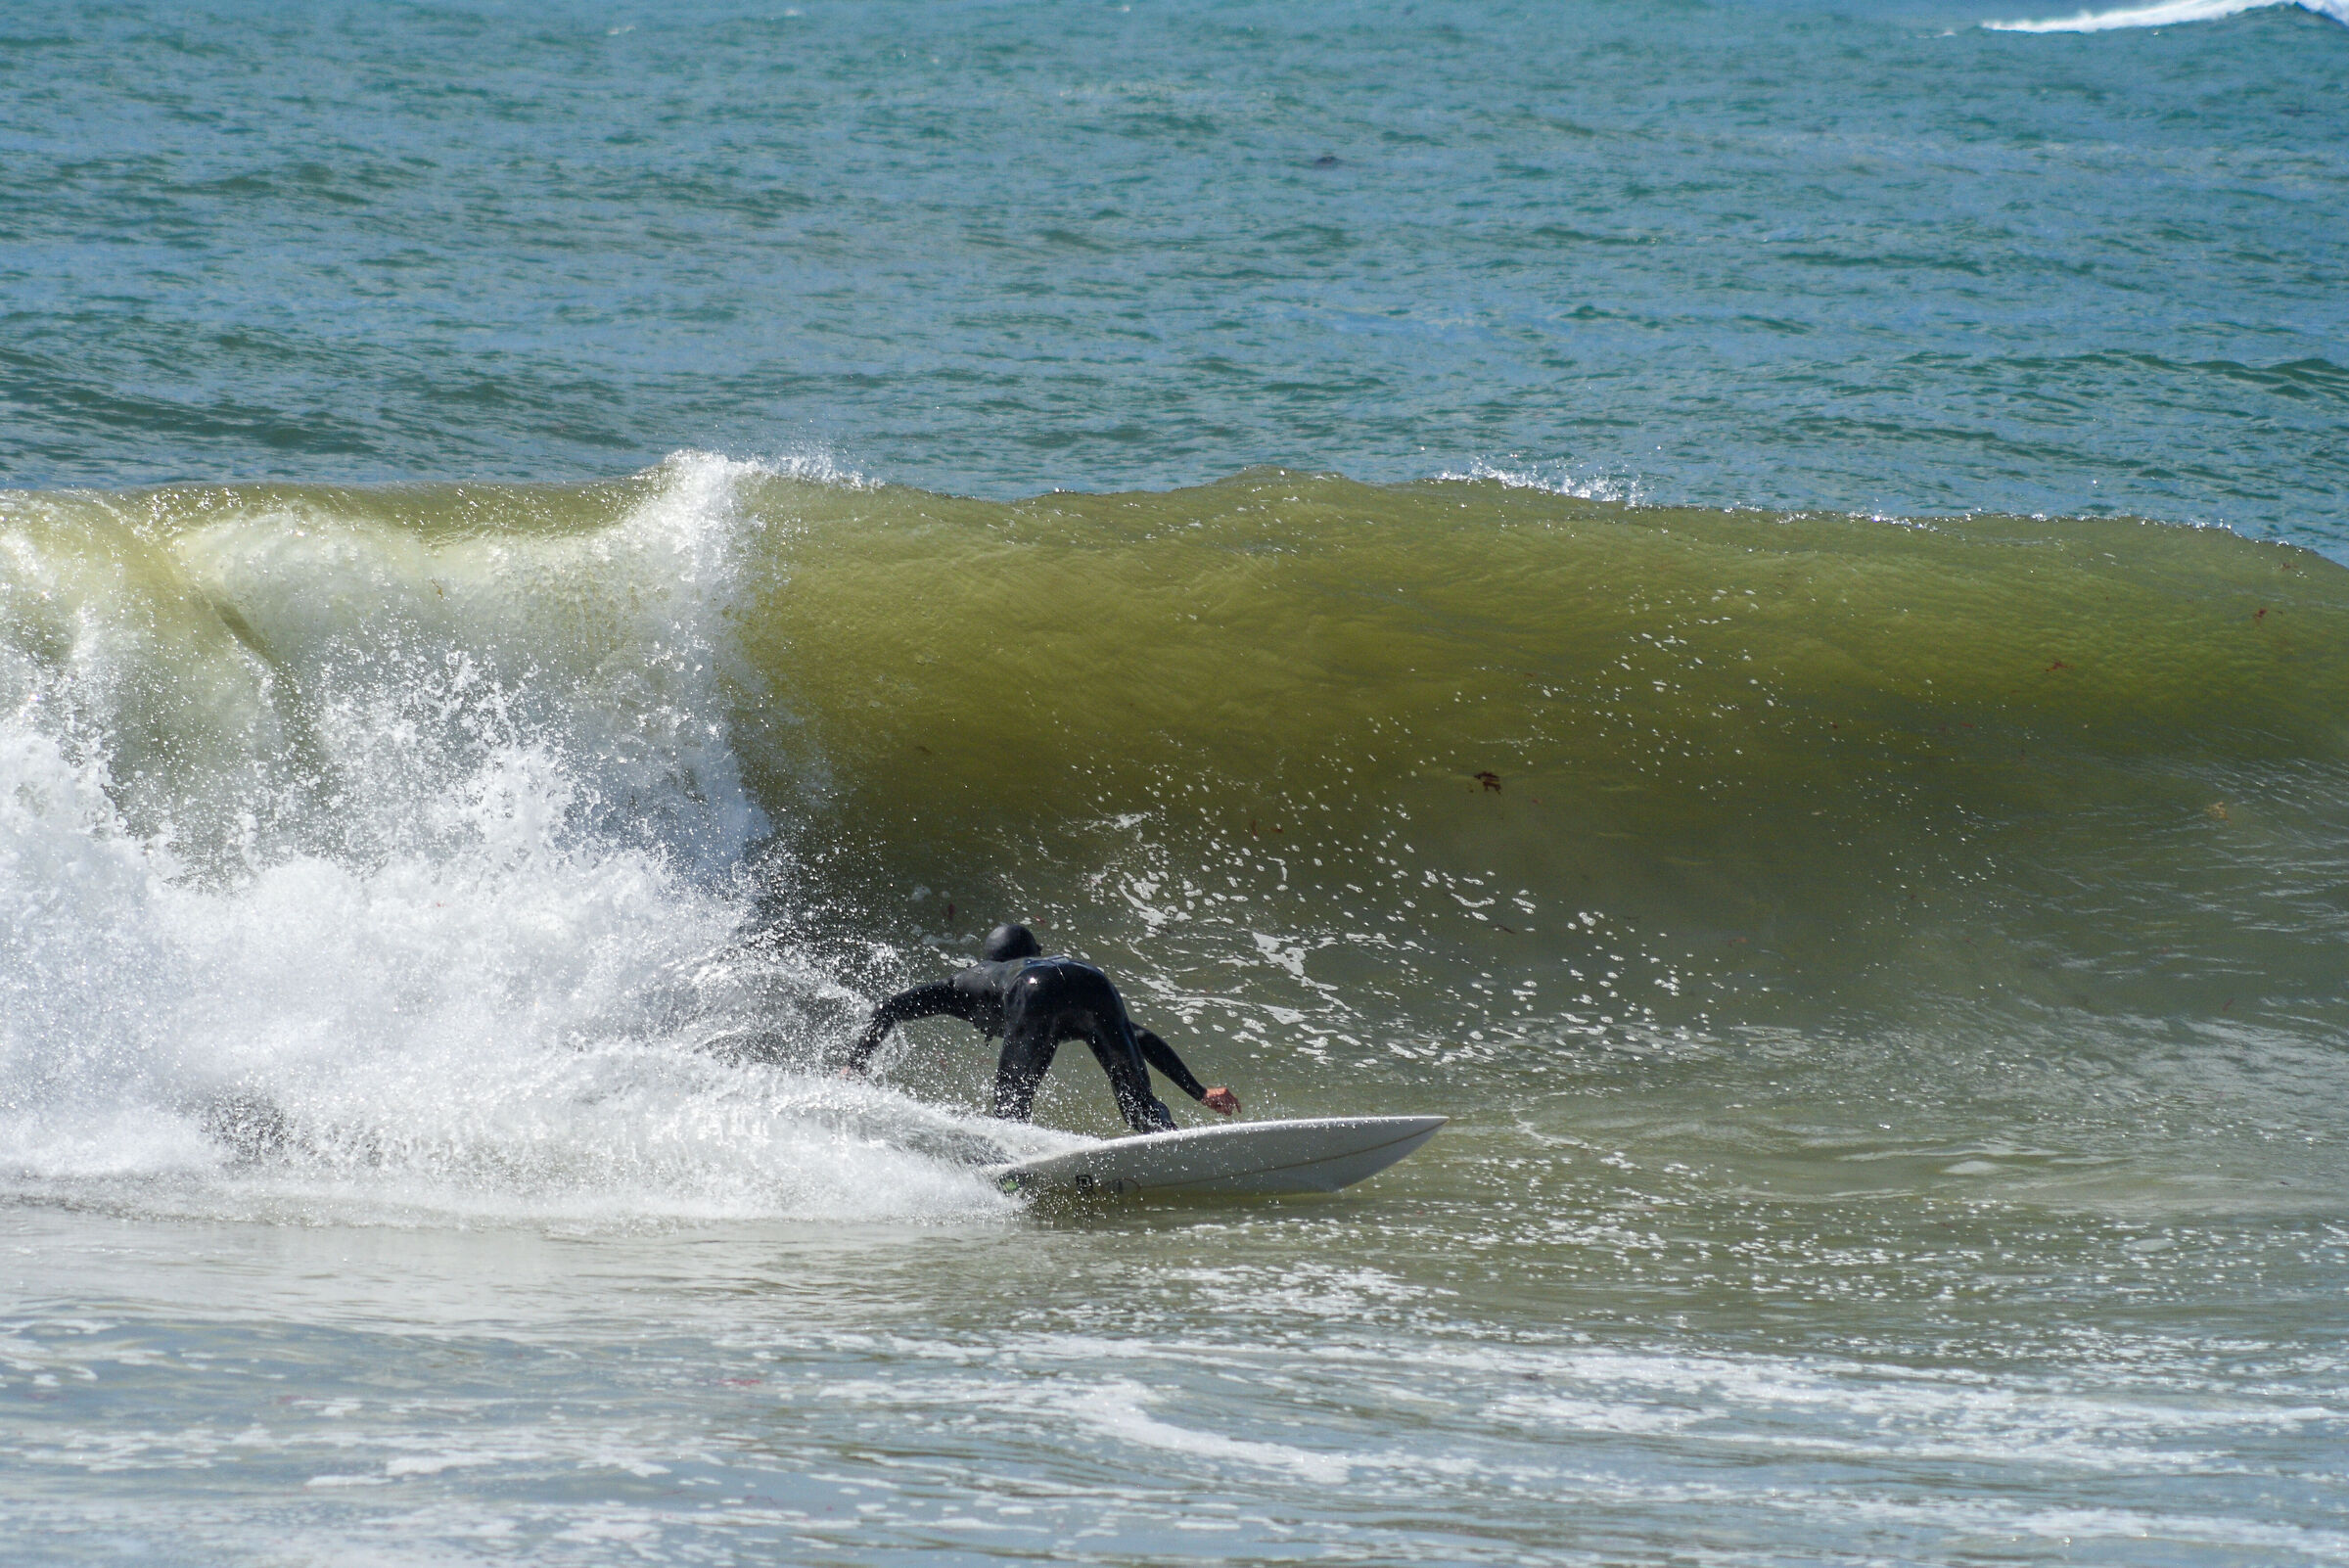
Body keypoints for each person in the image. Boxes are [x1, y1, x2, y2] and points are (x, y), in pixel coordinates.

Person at [842, 923, 1240, 1133]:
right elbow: (1140, 1037)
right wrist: (1199, 1090)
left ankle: (1014, 1179)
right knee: (1139, 1108)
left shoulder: (968, 983)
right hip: (1093, 981)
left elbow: (889, 1008)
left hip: (1033, 996)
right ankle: (1164, 1139)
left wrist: (856, 1063)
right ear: (1034, 954)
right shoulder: (1050, 966)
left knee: (1011, 1113)